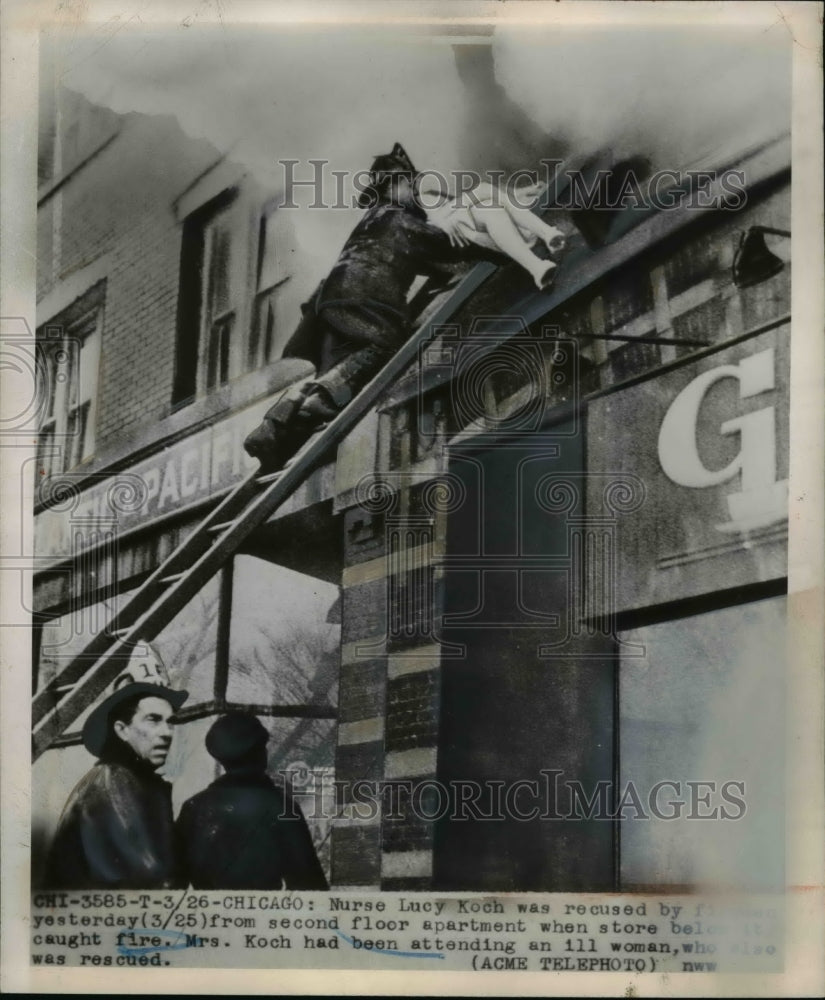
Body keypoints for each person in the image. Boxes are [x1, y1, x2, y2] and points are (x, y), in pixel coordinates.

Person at [244, 142, 562, 472]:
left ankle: (273, 427)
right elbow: (446, 247)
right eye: (409, 184)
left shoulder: (371, 219)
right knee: (384, 345)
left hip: (334, 297)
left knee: (337, 363)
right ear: (392, 187)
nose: (414, 191)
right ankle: (321, 400)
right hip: (368, 293)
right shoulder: (401, 220)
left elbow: (422, 260)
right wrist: (499, 254)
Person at [44, 680, 188, 889]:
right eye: (153, 720)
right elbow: (150, 872)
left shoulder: (138, 781)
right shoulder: (113, 779)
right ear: (122, 730)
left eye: (170, 722)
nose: (167, 733)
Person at [175, 712, 328, 890]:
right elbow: (310, 886)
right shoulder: (282, 807)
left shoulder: (194, 807)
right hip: (263, 916)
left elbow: (173, 881)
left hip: (205, 915)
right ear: (260, 752)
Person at [419, 176, 566, 290]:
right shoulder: (414, 213)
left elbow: (455, 204)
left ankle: (538, 264)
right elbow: (435, 223)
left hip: (471, 221)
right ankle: (547, 234)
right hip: (459, 234)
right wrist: (443, 220)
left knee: (490, 205)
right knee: (485, 198)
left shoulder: (426, 196)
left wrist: (520, 192)